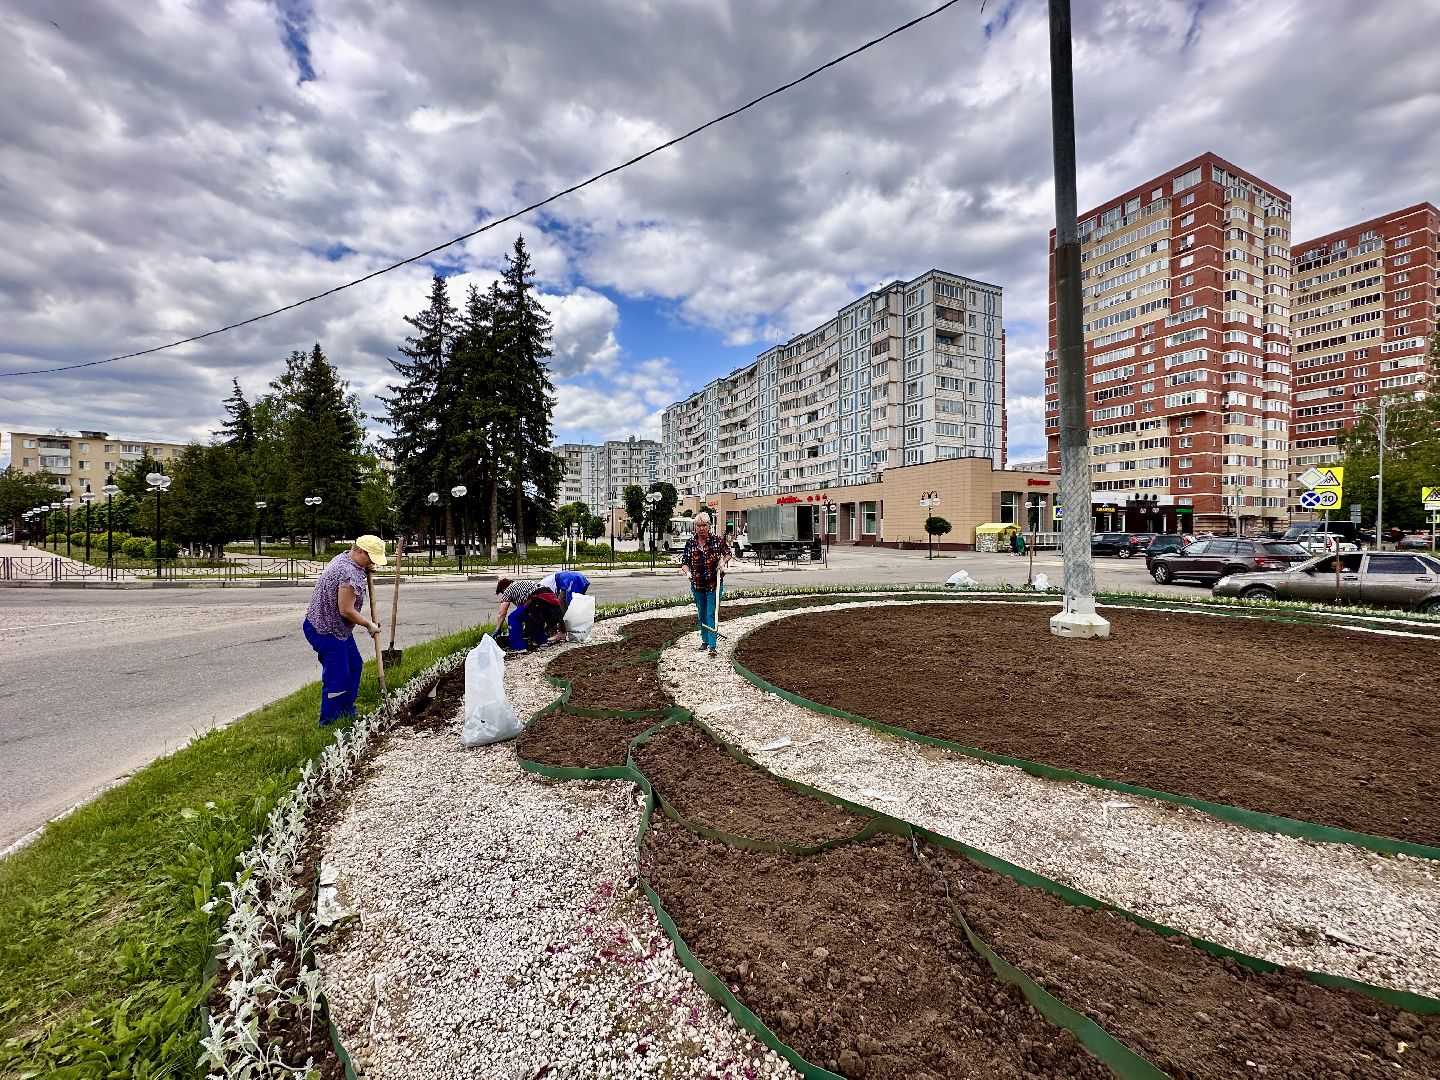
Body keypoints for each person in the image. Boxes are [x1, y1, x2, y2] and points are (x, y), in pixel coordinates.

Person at [303, 535, 387, 727]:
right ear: (360, 551)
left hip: (337, 629)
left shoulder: (347, 558)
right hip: (325, 629)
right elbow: (346, 610)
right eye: (371, 558)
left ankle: (347, 711)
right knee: (338, 676)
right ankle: (330, 722)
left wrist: (365, 568)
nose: (373, 562)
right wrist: (369, 625)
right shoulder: (348, 573)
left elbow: (358, 568)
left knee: (355, 665)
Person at [679, 512, 730, 658]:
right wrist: (688, 573)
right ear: (695, 527)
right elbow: (685, 563)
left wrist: (722, 562)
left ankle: (713, 645)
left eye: (704, 525)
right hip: (698, 584)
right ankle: (705, 641)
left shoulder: (716, 540)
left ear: (709, 526)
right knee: (701, 613)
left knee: (711, 613)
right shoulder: (691, 543)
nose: (701, 528)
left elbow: (727, 553)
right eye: (699, 525)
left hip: (714, 583)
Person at [495, 577, 565, 654]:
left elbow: (502, 613)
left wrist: (498, 628)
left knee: (513, 618)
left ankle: (519, 647)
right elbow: (526, 612)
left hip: (537, 599)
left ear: (503, 589)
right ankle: (542, 642)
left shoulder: (508, 590)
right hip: (550, 599)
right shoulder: (522, 584)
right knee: (534, 618)